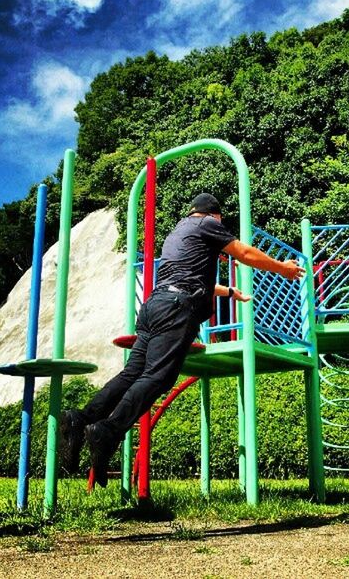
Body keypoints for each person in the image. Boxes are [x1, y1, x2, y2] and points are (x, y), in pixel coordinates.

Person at [59, 193, 305, 486]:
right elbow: (245, 254)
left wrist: (228, 292)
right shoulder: (207, 224)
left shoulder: (178, 231)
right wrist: (283, 269)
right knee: (159, 377)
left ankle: (81, 419)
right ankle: (107, 431)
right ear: (215, 216)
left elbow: (190, 277)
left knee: (132, 373)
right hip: (176, 308)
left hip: (154, 305)